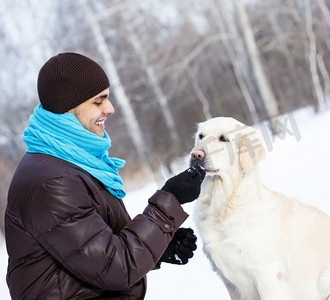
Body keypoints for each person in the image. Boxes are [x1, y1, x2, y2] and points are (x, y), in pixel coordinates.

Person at [5, 52, 206, 299]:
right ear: (68, 107)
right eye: (98, 102)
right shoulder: (52, 182)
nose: (110, 109)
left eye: (107, 99)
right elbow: (114, 267)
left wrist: (158, 245)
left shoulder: (70, 160)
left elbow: (94, 251)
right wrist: (169, 201)